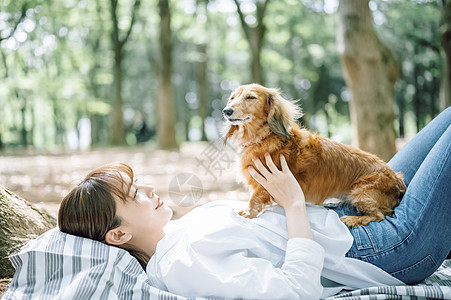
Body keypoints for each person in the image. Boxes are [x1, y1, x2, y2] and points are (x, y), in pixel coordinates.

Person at [58, 107, 451, 300]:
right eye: (134, 194)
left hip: (348, 212)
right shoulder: (182, 264)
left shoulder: (177, 235)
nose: (149, 190)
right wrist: (294, 205)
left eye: (139, 183)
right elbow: (294, 291)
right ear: (118, 233)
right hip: (387, 247)